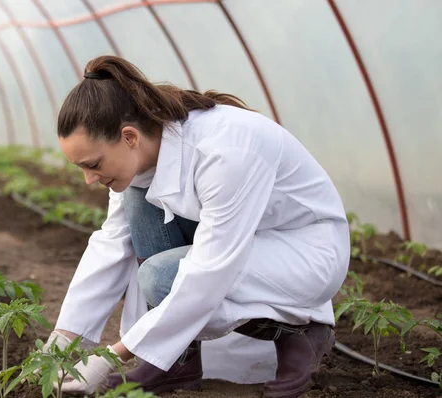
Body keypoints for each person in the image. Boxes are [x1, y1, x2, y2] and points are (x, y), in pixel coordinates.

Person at [42, 55, 350, 398]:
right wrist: (59, 346)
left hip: (306, 252)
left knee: (160, 278)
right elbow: (110, 246)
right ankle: (176, 363)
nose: (88, 179)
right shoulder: (144, 154)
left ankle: (301, 333)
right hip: (250, 241)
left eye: (93, 164)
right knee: (137, 198)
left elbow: (209, 271)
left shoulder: (226, 150)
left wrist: (111, 356)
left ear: (129, 136)